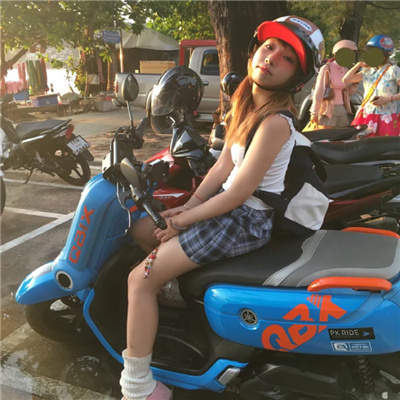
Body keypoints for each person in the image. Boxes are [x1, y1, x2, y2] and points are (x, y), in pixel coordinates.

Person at [120, 15, 324, 400]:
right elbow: (223, 165)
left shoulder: (276, 122)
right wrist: (188, 204)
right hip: (225, 210)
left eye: (287, 57)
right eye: (269, 47)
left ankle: (138, 386)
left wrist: (183, 220)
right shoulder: (246, 102)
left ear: (296, 78)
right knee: (142, 230)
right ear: (255, 52)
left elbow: (236, 195)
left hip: (244, 220)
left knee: (138, 280)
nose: (272, 57)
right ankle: (173, 289)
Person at [342, 35, 400, 136]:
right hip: (367, 115)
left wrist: (387, 99)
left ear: (384, 56)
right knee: (362, 144)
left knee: (384, 145)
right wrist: (358, 65)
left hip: (386, 117)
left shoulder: (393, 70)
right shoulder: (367, 71)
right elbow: (346, 80)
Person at [309, 39, 358, 129]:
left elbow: (347, 92)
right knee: (325, 135)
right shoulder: (327, 68)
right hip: (328, 109)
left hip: (342, 108)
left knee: (341, 136)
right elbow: (319, 91)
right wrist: (314, 112)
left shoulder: (345, 70)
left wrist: (354, 85)